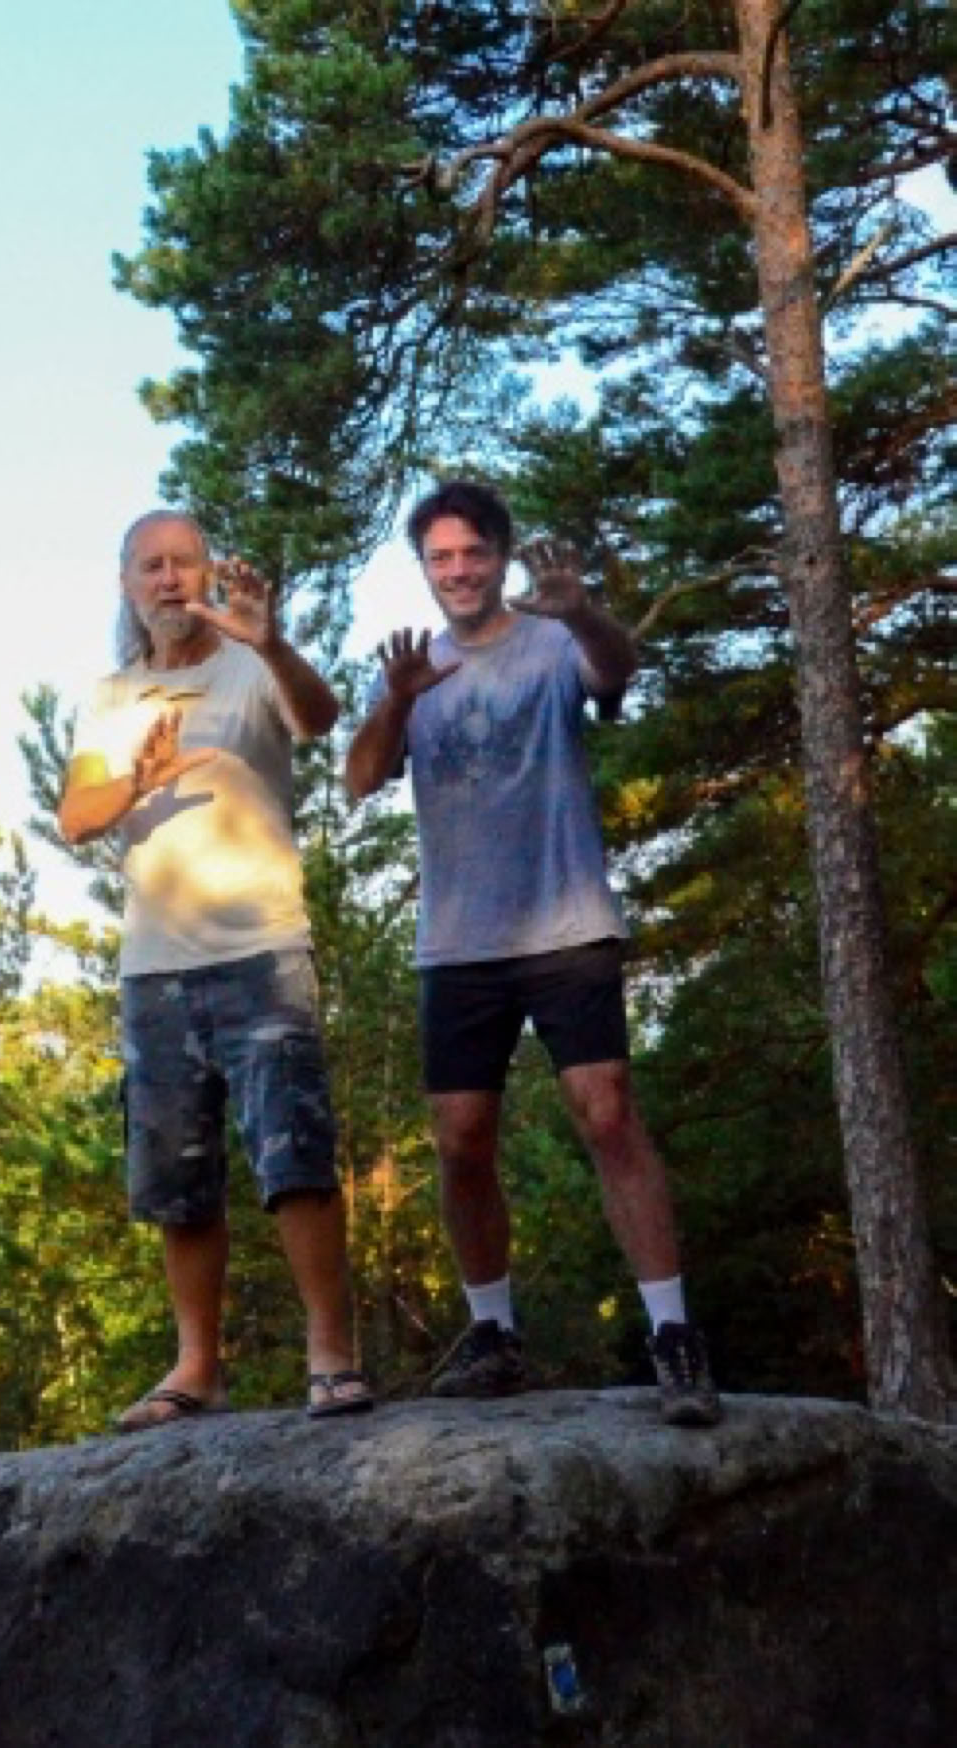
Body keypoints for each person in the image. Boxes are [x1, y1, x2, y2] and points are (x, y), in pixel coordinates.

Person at [344, 480, 719, 1426]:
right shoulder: (413, 671)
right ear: (424, 570)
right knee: (460, 1139)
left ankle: (674, 1335)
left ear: (501, 557)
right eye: (440, 558)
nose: (458, 571)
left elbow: (616, 671)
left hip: (566, 924)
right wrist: (395, 704)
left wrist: (585, 610)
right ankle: (495, 1335)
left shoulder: (553, 640)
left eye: (473, 553)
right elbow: (356, 780)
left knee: (606, 1116)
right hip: (460, 942)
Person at [59, 508, 372, 1429]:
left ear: (204, 574)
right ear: (126, 584)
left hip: (259, 953)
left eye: (182, 563)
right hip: (154, 969)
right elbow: (77, 815)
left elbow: (319, 717)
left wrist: (274, 646)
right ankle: (196, 1367)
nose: (167, 579)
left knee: (296, 1160)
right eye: (149, 566)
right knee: (177, 1178)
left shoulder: (251, 667)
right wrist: (138, 783)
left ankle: (332, 1354)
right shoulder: (113, 697)